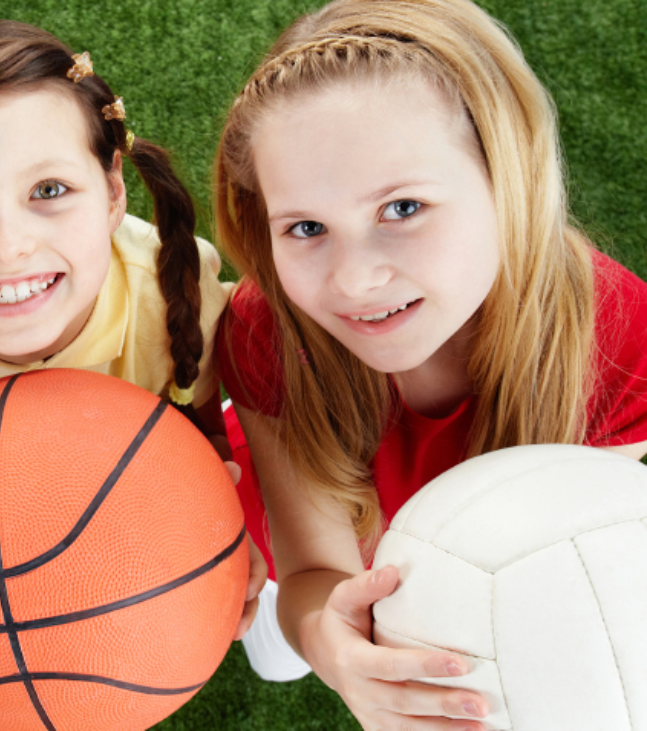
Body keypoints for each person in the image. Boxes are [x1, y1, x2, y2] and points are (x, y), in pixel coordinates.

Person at [212, 0, 647, 725]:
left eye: (403, 208)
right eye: (308, 227)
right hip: (311, 530)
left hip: (465, 567)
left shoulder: (619, 335)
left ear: (507, 176)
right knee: (281, 653)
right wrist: (329, 637)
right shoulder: (267, 328)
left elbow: (591, 541)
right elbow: (318, 569)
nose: (354, 280)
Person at [0, 19, 265, 687]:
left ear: (113, 190)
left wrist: (219, 534)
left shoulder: (171, 289)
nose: (7, 244)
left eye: (49, 191)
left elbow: (202, 433)